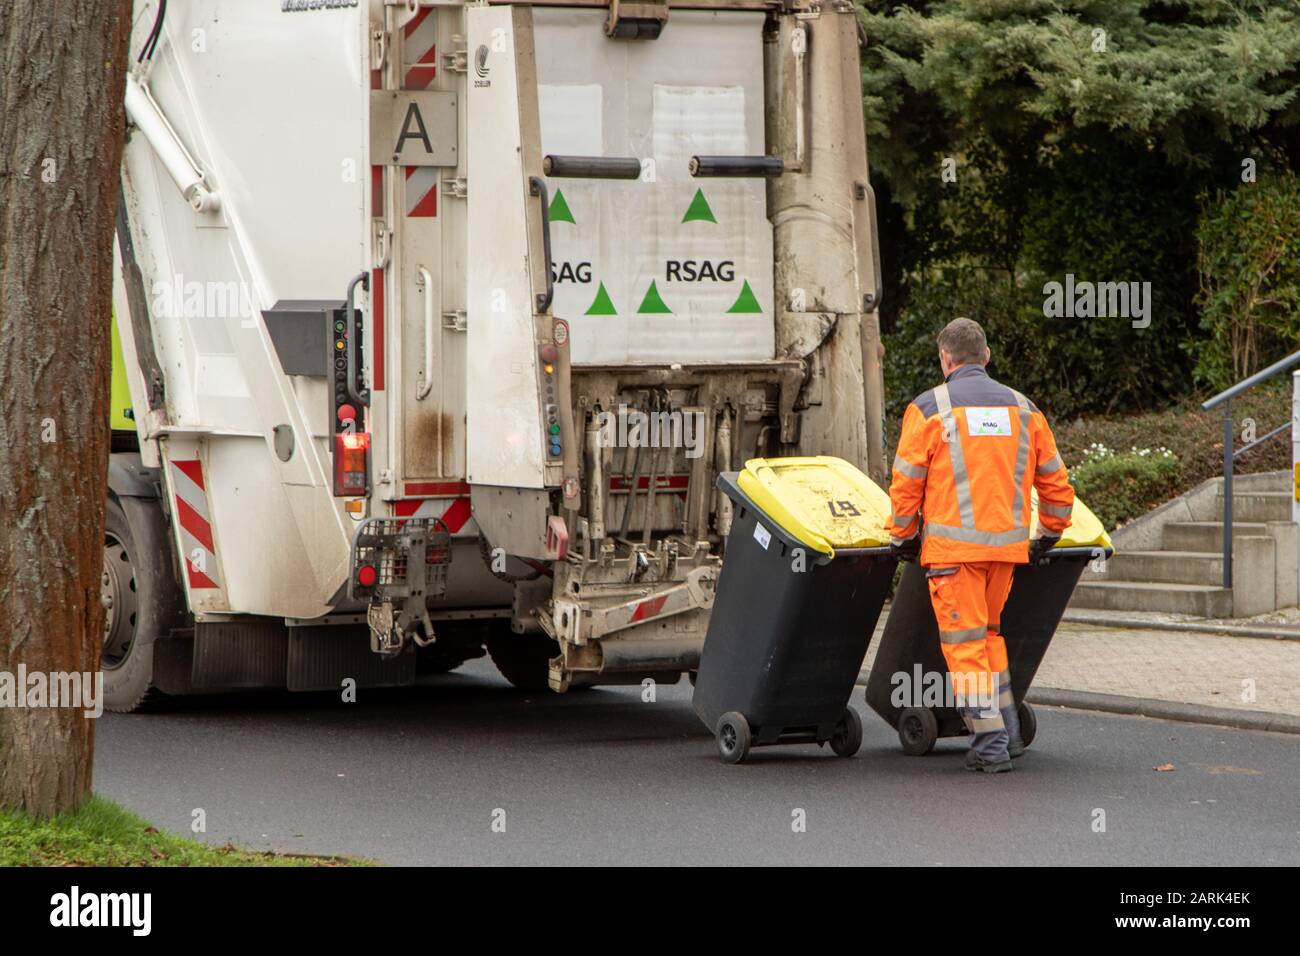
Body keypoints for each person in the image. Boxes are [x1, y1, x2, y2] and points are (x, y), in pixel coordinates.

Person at [887, 318, 1075, 773]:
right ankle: (1007, 734)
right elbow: (1055, 482)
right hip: (1006, 553)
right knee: (988, 639)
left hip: (954, 557)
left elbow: (907, 484)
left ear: (945, 359)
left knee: (966, 647)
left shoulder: (929, 409)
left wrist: (903, 537)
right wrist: (1049, 532)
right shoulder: (1024, 409)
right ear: (986, 357)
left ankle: (989, 745)